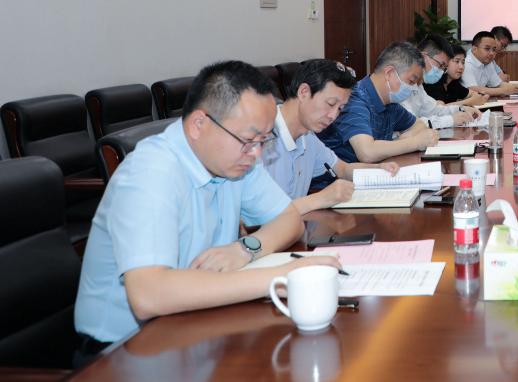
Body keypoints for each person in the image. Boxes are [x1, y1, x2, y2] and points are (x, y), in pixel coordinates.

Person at [74, 61, 340, 352]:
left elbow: (289, 219)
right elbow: (149, 295)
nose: (256, 153)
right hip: (124, 348)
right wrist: (283, 278)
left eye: (264, 140)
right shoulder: (151, 173)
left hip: (195, 326)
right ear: (199, 125)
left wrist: (245, 249)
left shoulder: (237, 160)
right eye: (249, 140)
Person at [262, 58, 398, 213]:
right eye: (331, 104)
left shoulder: (308, 136)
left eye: (340, 108)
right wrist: (321, 198)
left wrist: (378, 170)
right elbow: (259, 215)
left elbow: (343, 169)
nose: (333, 116)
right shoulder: (259, 138)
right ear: (304, 92)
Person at [318, 41, 440, 163]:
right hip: (340, 174)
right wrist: (414, 142)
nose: (414, 88)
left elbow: (419, 125)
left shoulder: (390, 104)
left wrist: (400, 142)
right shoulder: (353, 99)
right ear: (389, 73)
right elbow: (367, 152)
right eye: (411, 81)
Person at [401, 34, 482, 128]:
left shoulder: (418, 86)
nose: (441, 72)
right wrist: (451, 120)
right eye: (440, 65)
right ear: (424, 57)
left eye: (444, 68)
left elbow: (434, 110)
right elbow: (411, 123)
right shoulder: (401, 85)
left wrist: (461, 109)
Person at [461, 30, 518, 97]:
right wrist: (503, 91)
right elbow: (473, 89)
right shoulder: (465, 64)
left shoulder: (488, 63)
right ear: (474, 49)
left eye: (494, 49)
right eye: (487, 49)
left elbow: (498, 84)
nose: (492, 53)